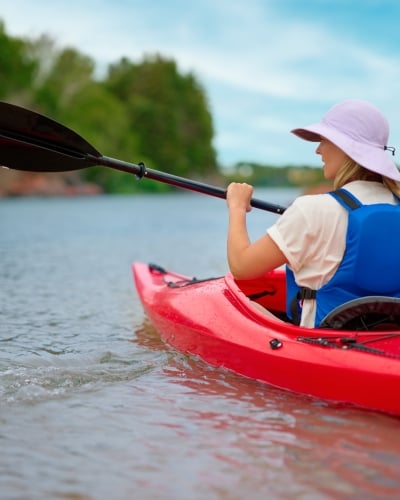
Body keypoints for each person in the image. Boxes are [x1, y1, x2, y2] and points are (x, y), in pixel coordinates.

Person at [226, 99, 400, 328]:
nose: (318, 150)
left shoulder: (311, 210)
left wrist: (237, 207)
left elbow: (242, 267)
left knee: (235, 305)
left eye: (323, 141)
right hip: (387, 337)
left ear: (344, 147)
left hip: (325, 342)